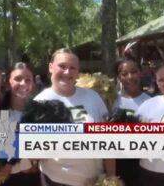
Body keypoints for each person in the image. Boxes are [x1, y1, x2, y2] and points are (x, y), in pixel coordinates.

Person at [34, 48, 115, 186]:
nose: (67, 72)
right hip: (56, 181)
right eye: (62, 66)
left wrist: (112, 178)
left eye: (72, 68)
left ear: (78, 72)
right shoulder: (39, 102)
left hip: (95, 180)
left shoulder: (93, 97)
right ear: (50, 67)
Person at [0, 62, 40, 186]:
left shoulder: (41, 113)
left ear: (33, 84)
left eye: (28, 80)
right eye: (17, 79)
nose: (23, 83)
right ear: (7, 82)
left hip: (34, 179)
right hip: (5, 180)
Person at [113, 58, 151, 186]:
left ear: (140, 73)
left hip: (143, 165)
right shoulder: (111, 101)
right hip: (117, 165)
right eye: (124, 74)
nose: (129, 77)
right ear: (118, 77)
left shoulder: (151, 102)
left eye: (134, 71)